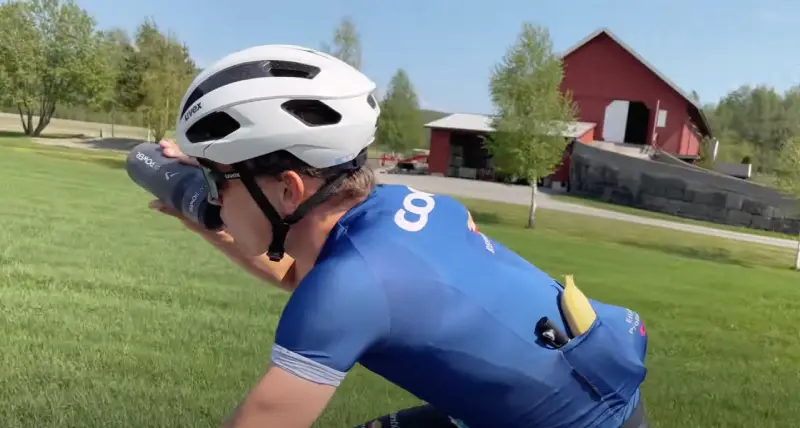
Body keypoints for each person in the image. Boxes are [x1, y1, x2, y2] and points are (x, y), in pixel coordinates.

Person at [150, 44, 650, 428]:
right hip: (584, 389)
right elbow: (306, 280)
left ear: (289, 189)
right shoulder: (396, 208)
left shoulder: (352, 287)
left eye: (216, 181)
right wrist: (202, 220)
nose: (211, 198)